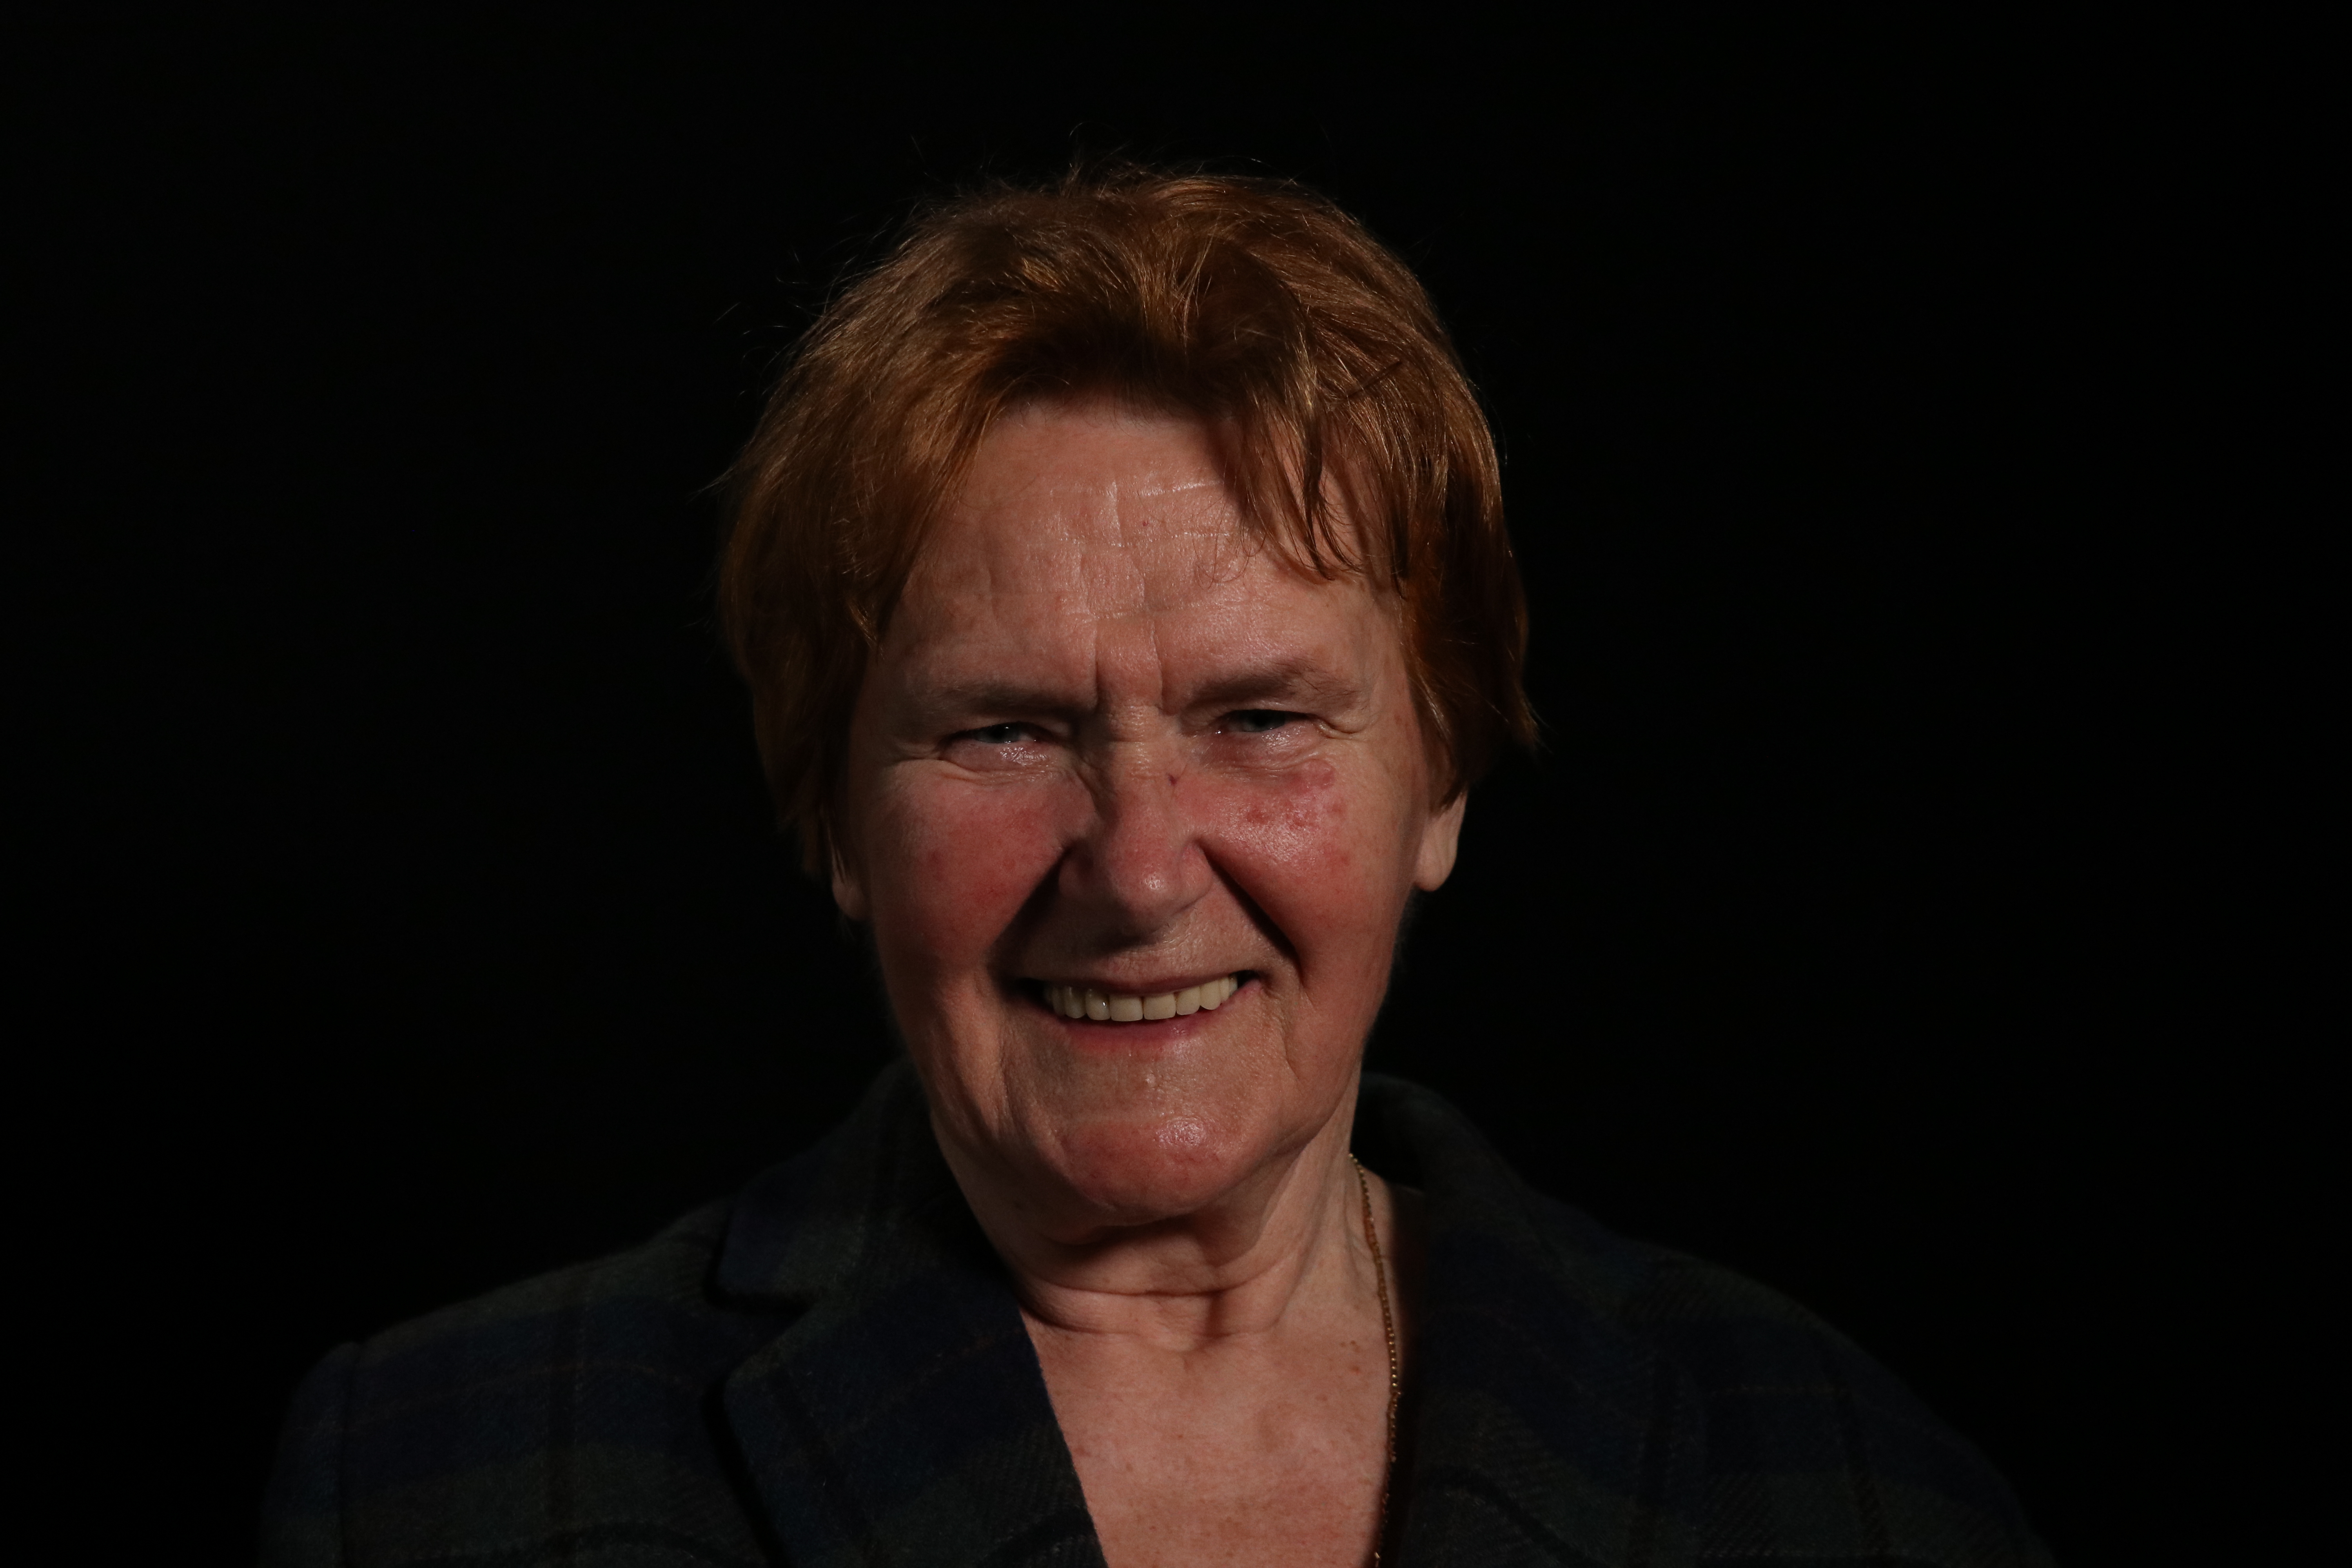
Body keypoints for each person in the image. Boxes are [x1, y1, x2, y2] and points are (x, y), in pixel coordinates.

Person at [262, 169, 2051, 1568]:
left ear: (1439, 784)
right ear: (832, 817)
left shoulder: (1844, 1480)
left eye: (1261, 717)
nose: (1135, 872)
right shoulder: (432, 1480)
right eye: (1004, 730)